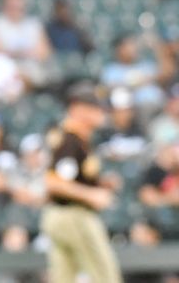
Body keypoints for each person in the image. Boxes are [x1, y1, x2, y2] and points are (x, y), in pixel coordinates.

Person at [40, 82, 122, 283]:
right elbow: (54, 183)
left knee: (64, 277)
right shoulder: (70, 139)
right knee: (105, 275)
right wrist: (91, 194)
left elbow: (68, 177)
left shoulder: (77, 138)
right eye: (95, 107)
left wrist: (99, 184)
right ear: (77, 108)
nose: (101, 112)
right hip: (74, 215)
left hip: (60, 214)